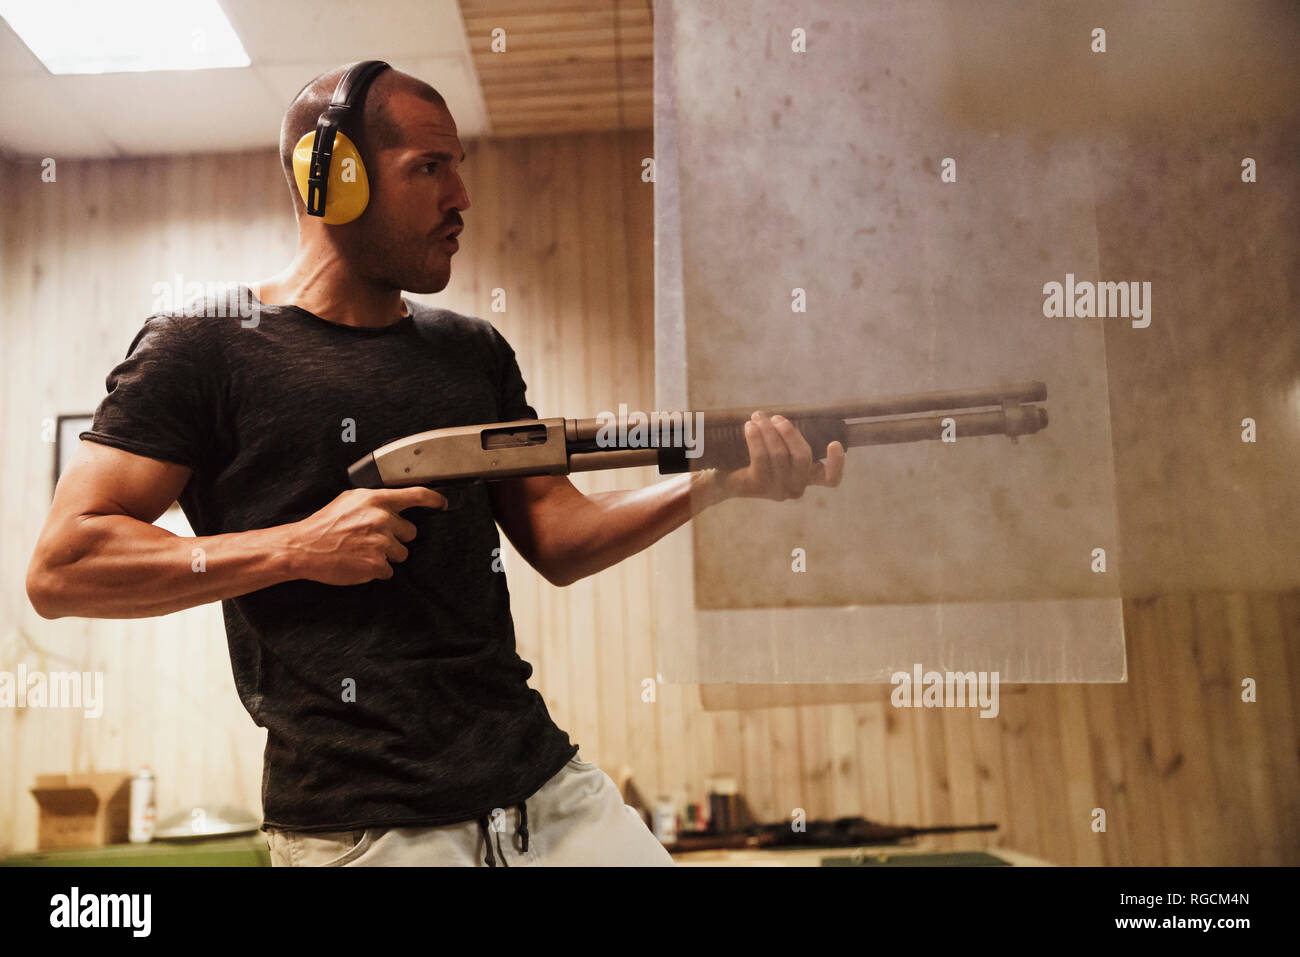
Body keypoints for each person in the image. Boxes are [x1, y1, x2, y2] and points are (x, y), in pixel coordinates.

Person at [24, 62, 846, 866]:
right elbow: (64, 565)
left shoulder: (469, 351)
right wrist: (294, 548)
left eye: (458, 167)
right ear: (333, 179)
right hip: (363, 829)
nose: (461, 199)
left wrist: (720, 481)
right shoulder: (205, 344)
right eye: (430, 169)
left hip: (545, 792)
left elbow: (561, 536)